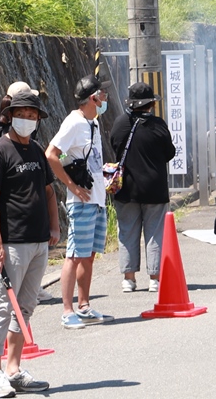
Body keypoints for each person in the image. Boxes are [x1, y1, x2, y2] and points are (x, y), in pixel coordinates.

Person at [0, 86, 59, 398]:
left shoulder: (37, 151)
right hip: (12, 244)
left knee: (25, 307)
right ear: (9, 116)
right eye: (22, 114)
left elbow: (49, 192)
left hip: (39, 241)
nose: (27, 119)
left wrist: (54, 226)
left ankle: (14, 369)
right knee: (2, 306)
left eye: (33, 115)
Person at [45, 75, 111, 330]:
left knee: (89, 255)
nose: (105, 98)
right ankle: (67, 310)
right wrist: (70, 186)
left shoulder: (92, 122)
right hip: (81, 200)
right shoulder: (73, 122)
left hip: (96, 198)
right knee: (74, 254)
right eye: (102, 94)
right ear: (93, 98)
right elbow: (51, 154)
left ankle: (84, 306)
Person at [109, 82, 175, 292]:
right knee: (155, 233)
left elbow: (115, 146)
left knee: (127, 232)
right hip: (154, 188)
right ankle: (154, 279)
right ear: (151, 105)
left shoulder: (120, 123)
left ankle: (129, 279)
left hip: (126, 188)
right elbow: (169, 153)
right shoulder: (158, 125)